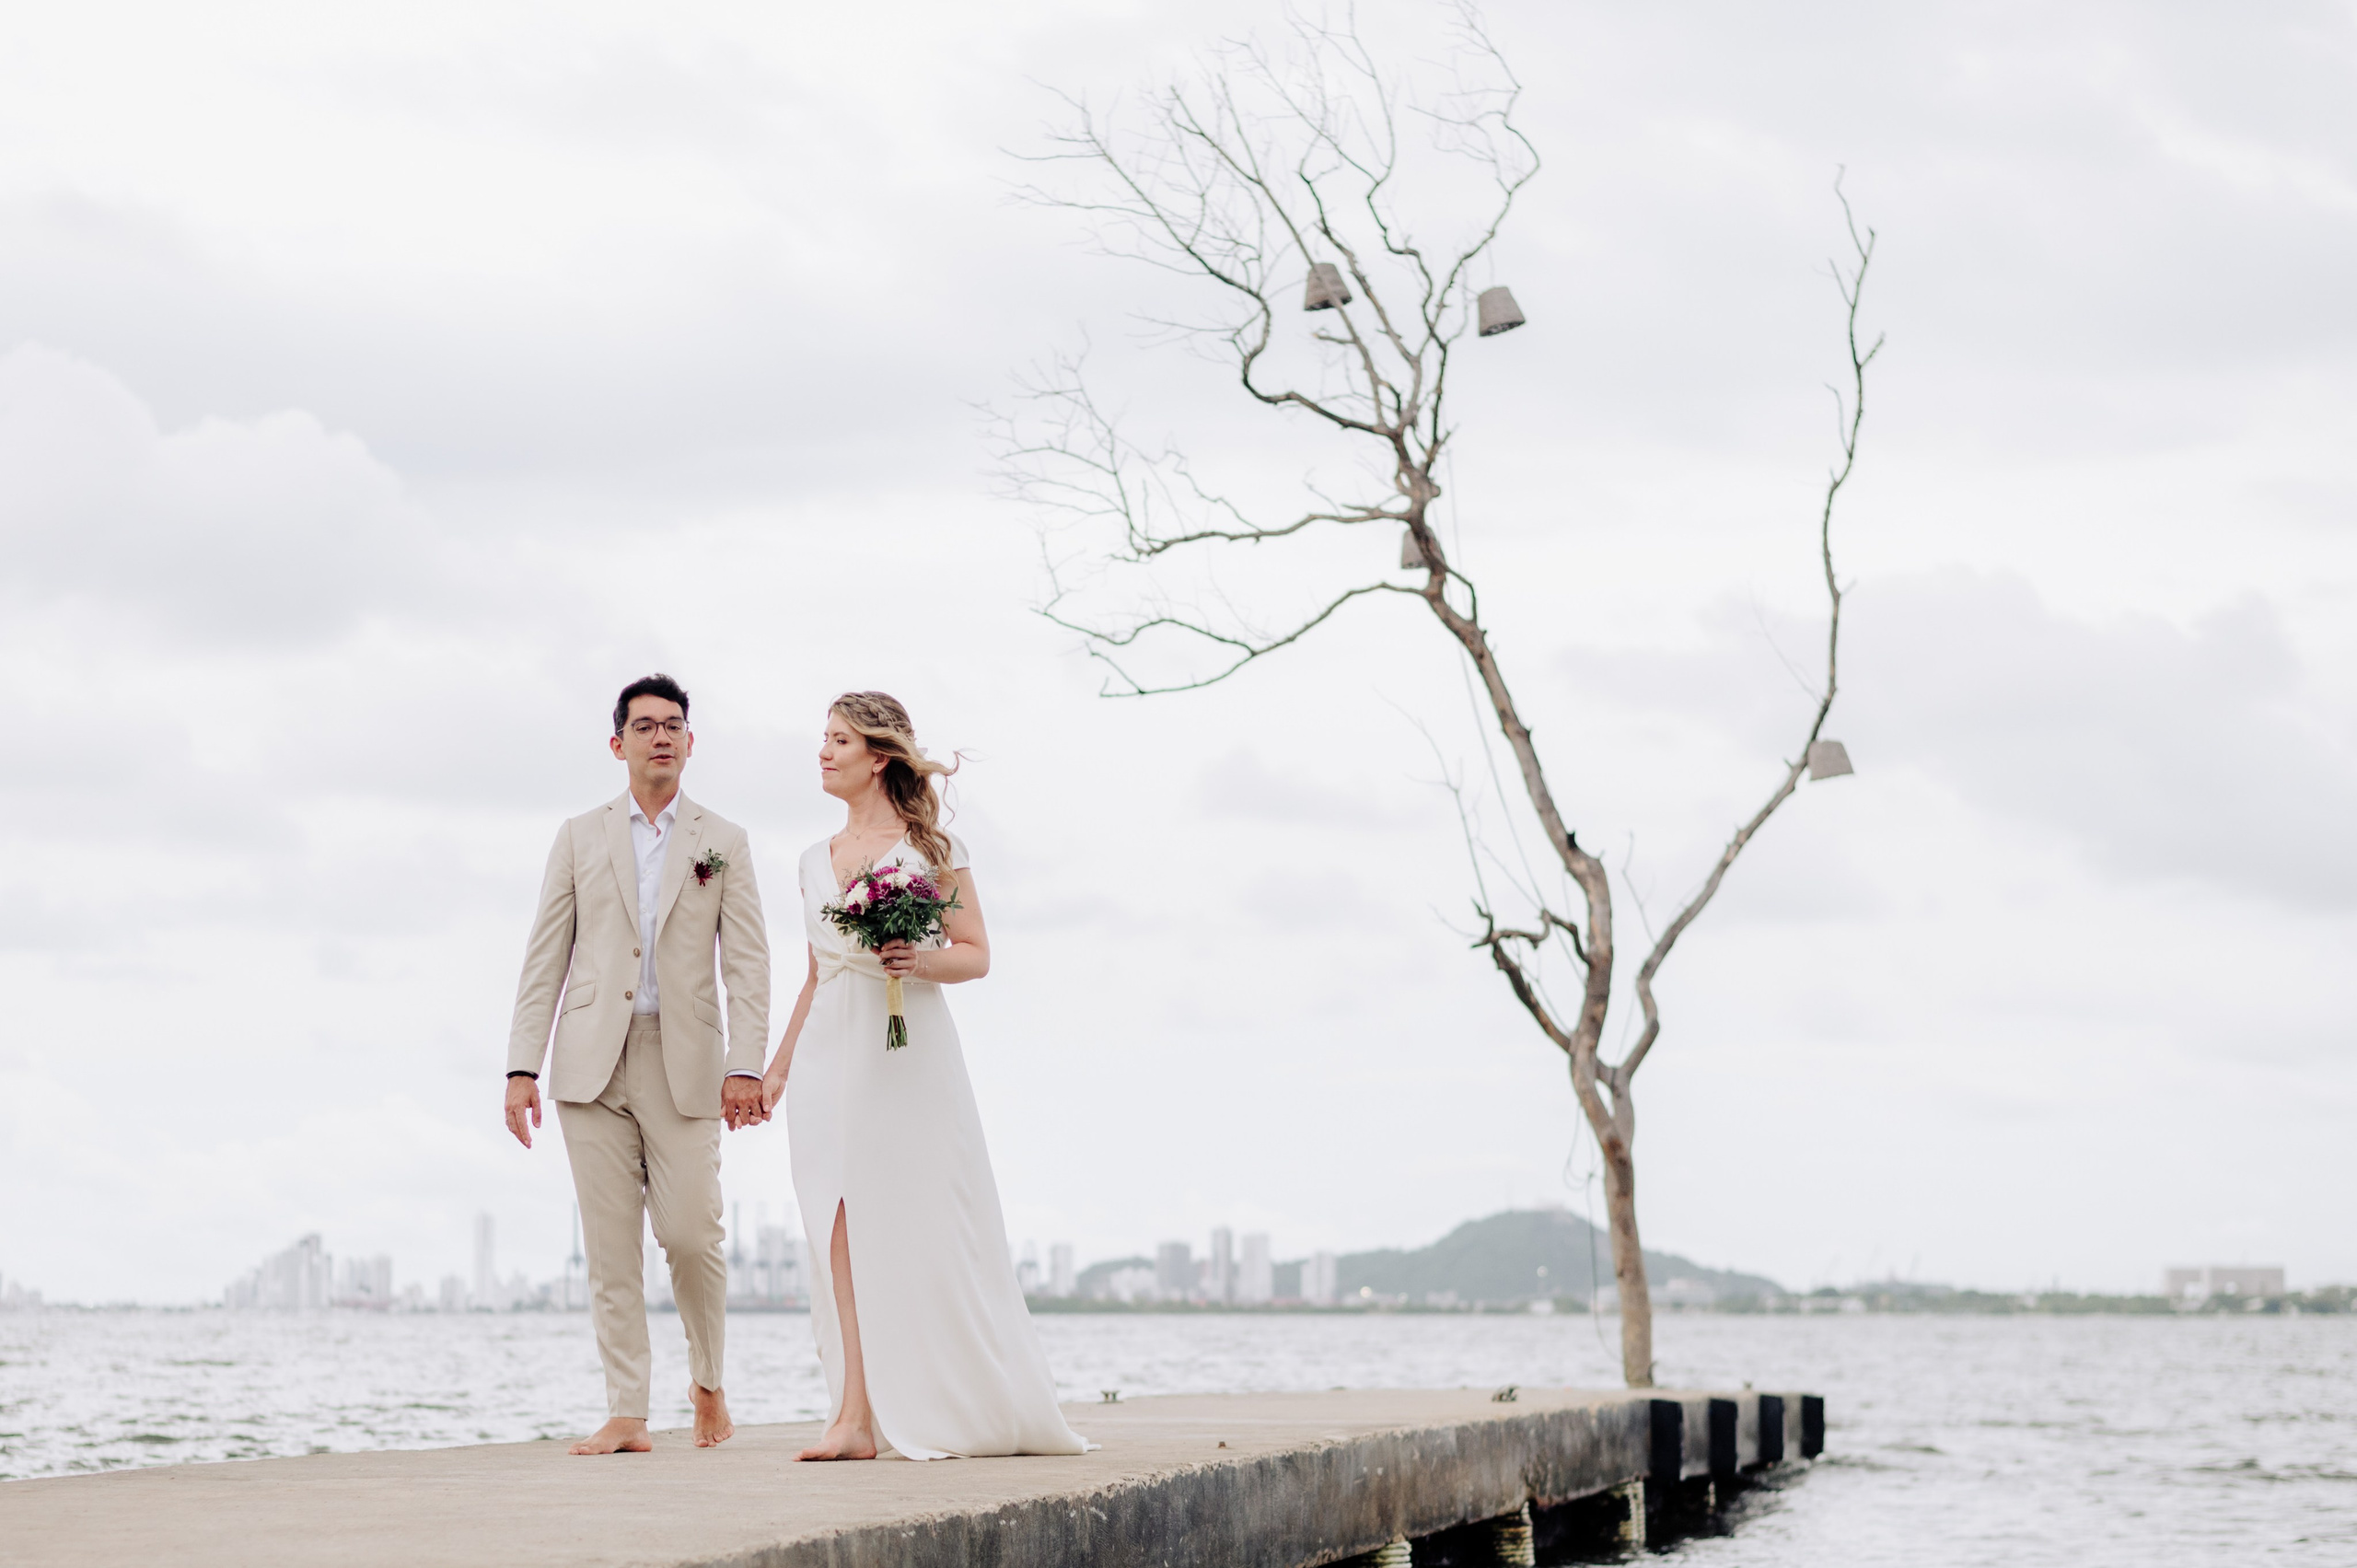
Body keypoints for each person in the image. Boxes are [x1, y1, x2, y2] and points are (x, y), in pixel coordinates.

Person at [760, 691, 1089, 1462]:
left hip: (907, 1052)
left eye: (838, 739)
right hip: (827, 1054)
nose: (823, 751)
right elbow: (813, 975)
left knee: (914, 1219)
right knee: (833, 1221)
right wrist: (775, 1070)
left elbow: (975, 952)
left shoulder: (934, 849)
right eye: (823, 738)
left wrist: (918, 959)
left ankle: (951, 1393)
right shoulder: (810, 861)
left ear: (878, 756)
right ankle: (853, 1416)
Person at [503, 674, 772, 1455]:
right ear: (617, 744)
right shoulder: (579, 835)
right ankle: (627, 1410)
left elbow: (748, 965)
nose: (662, 735)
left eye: (675, 724)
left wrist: (745, 1064)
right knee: (610, 1244)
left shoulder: (724, 840)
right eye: (646, 725)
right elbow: (544, 956)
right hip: (590, 1060)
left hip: (684, 1061)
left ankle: (709, 1381)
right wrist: (522, 1065)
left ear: (691, 742)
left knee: (692, 1234)